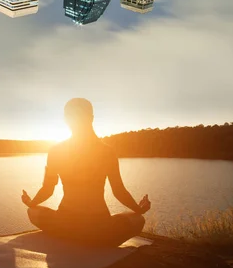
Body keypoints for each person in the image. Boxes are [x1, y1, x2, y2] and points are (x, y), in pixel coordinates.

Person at [21, 98, 151, 247]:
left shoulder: (56, 151)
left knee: (32, 211)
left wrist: (31, 203)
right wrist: (138, 209)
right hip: (99, 229)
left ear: (66, 120)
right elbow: (118, 191)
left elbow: (48, 189)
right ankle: (93, 239)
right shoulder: (107, 151)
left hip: (64, 224)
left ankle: (68, 236)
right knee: (138, 219)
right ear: (91, 118)